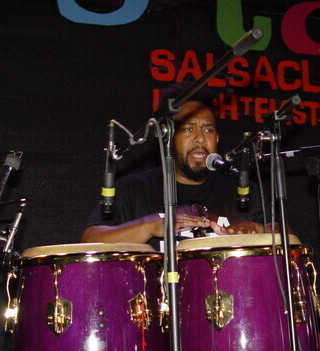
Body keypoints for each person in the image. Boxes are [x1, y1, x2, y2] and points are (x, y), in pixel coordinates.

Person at [81, 98, 267, 248]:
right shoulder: (134, 188)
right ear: (169, 138)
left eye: (208, 130)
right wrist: (148, 227)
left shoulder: (241, 190)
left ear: (217, 139)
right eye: (188, 129)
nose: (200, 138)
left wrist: (258, 229)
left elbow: (281, 233)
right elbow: (90, 240)